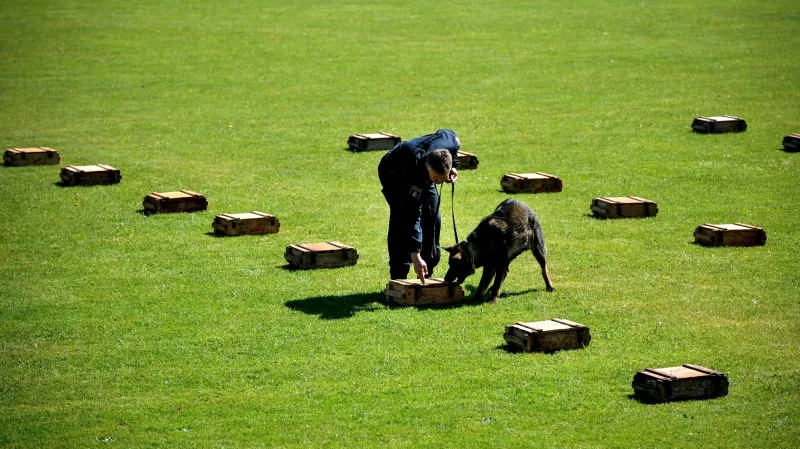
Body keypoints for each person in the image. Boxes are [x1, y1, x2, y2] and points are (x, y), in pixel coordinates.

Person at [377, 129, 461, 283]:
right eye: (437, 178)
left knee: (433, 217)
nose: (439, 182)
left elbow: (448, 133)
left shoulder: (450, 144)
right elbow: (411, 214)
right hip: (393, 175)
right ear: (428, 167)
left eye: (442, 179)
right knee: (401, 220)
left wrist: (453, 166)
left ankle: (428, 269)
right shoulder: (413, 167)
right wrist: (415, 254)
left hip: (423, 173)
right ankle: (398, 274)